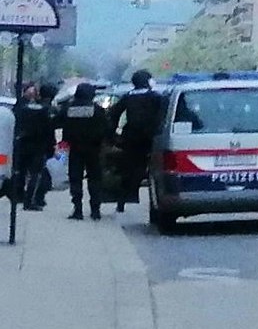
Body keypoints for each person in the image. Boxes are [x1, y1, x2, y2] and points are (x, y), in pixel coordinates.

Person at [106, 70, 166, 213]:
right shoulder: (156, 97)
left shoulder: (127, 97)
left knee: (128, 171)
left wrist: (113, 136)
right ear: (148, 81)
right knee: (155, 170)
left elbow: (112, 116)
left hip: (131, 138)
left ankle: (121, 202)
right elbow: (164, 117)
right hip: (152, 138)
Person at [53, 84, 110, 221]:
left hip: (75, 149)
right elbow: (107, 128)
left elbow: (56, 122)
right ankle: (95, 211)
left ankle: (77, 210)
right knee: (95, 180)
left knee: (75, 179)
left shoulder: (68, 109)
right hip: (94, 150)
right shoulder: (97, 110)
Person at [12, 84, 53, 212]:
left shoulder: (21, 109)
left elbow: (15, 125)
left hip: (22, 145)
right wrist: (50, 147)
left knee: (20, 171)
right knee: (35, 174)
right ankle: (30, 200)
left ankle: (18, 195)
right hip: (38, 147)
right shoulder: (44, 110)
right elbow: (49, 130)